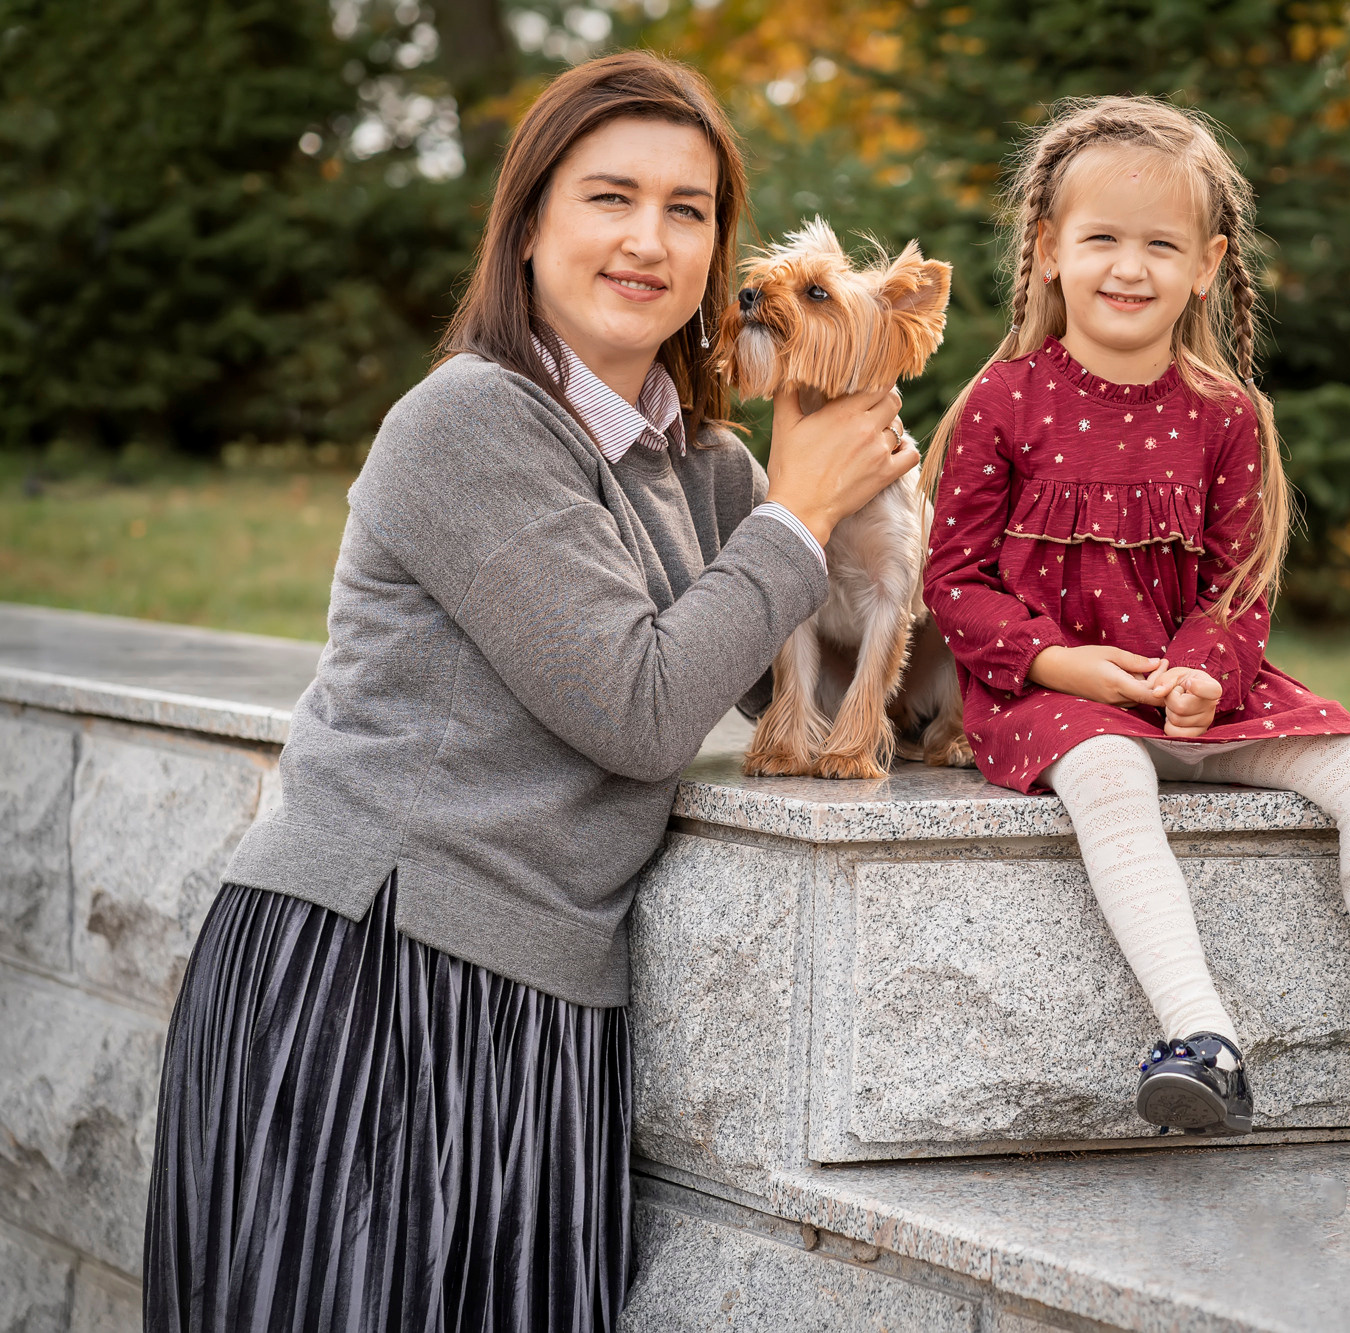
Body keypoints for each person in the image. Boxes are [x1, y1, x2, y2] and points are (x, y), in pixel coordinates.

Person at [143, 52, 917, 1331]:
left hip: (545, 1011)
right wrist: (798, 514)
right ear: (528, 226)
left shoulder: (699, 460)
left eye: (689, 209)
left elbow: (801, 646)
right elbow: (640, 705)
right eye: (609, 197)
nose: (648, 240)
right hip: (373, 985)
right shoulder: (467, 423)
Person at [920, 96, 1350, 1179]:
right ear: (1046, 251)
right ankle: (1199, 1034)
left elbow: (1237, 586)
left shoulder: (1222, 413)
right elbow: (954, 580)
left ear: (1207, 263)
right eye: (1101, 240)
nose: (1128, 267)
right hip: (1054, 697)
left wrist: (1205, 676)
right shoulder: (1004, 399)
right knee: (1113, 770)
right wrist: (1055, 660)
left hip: (1200, 694)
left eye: (1160, 244)